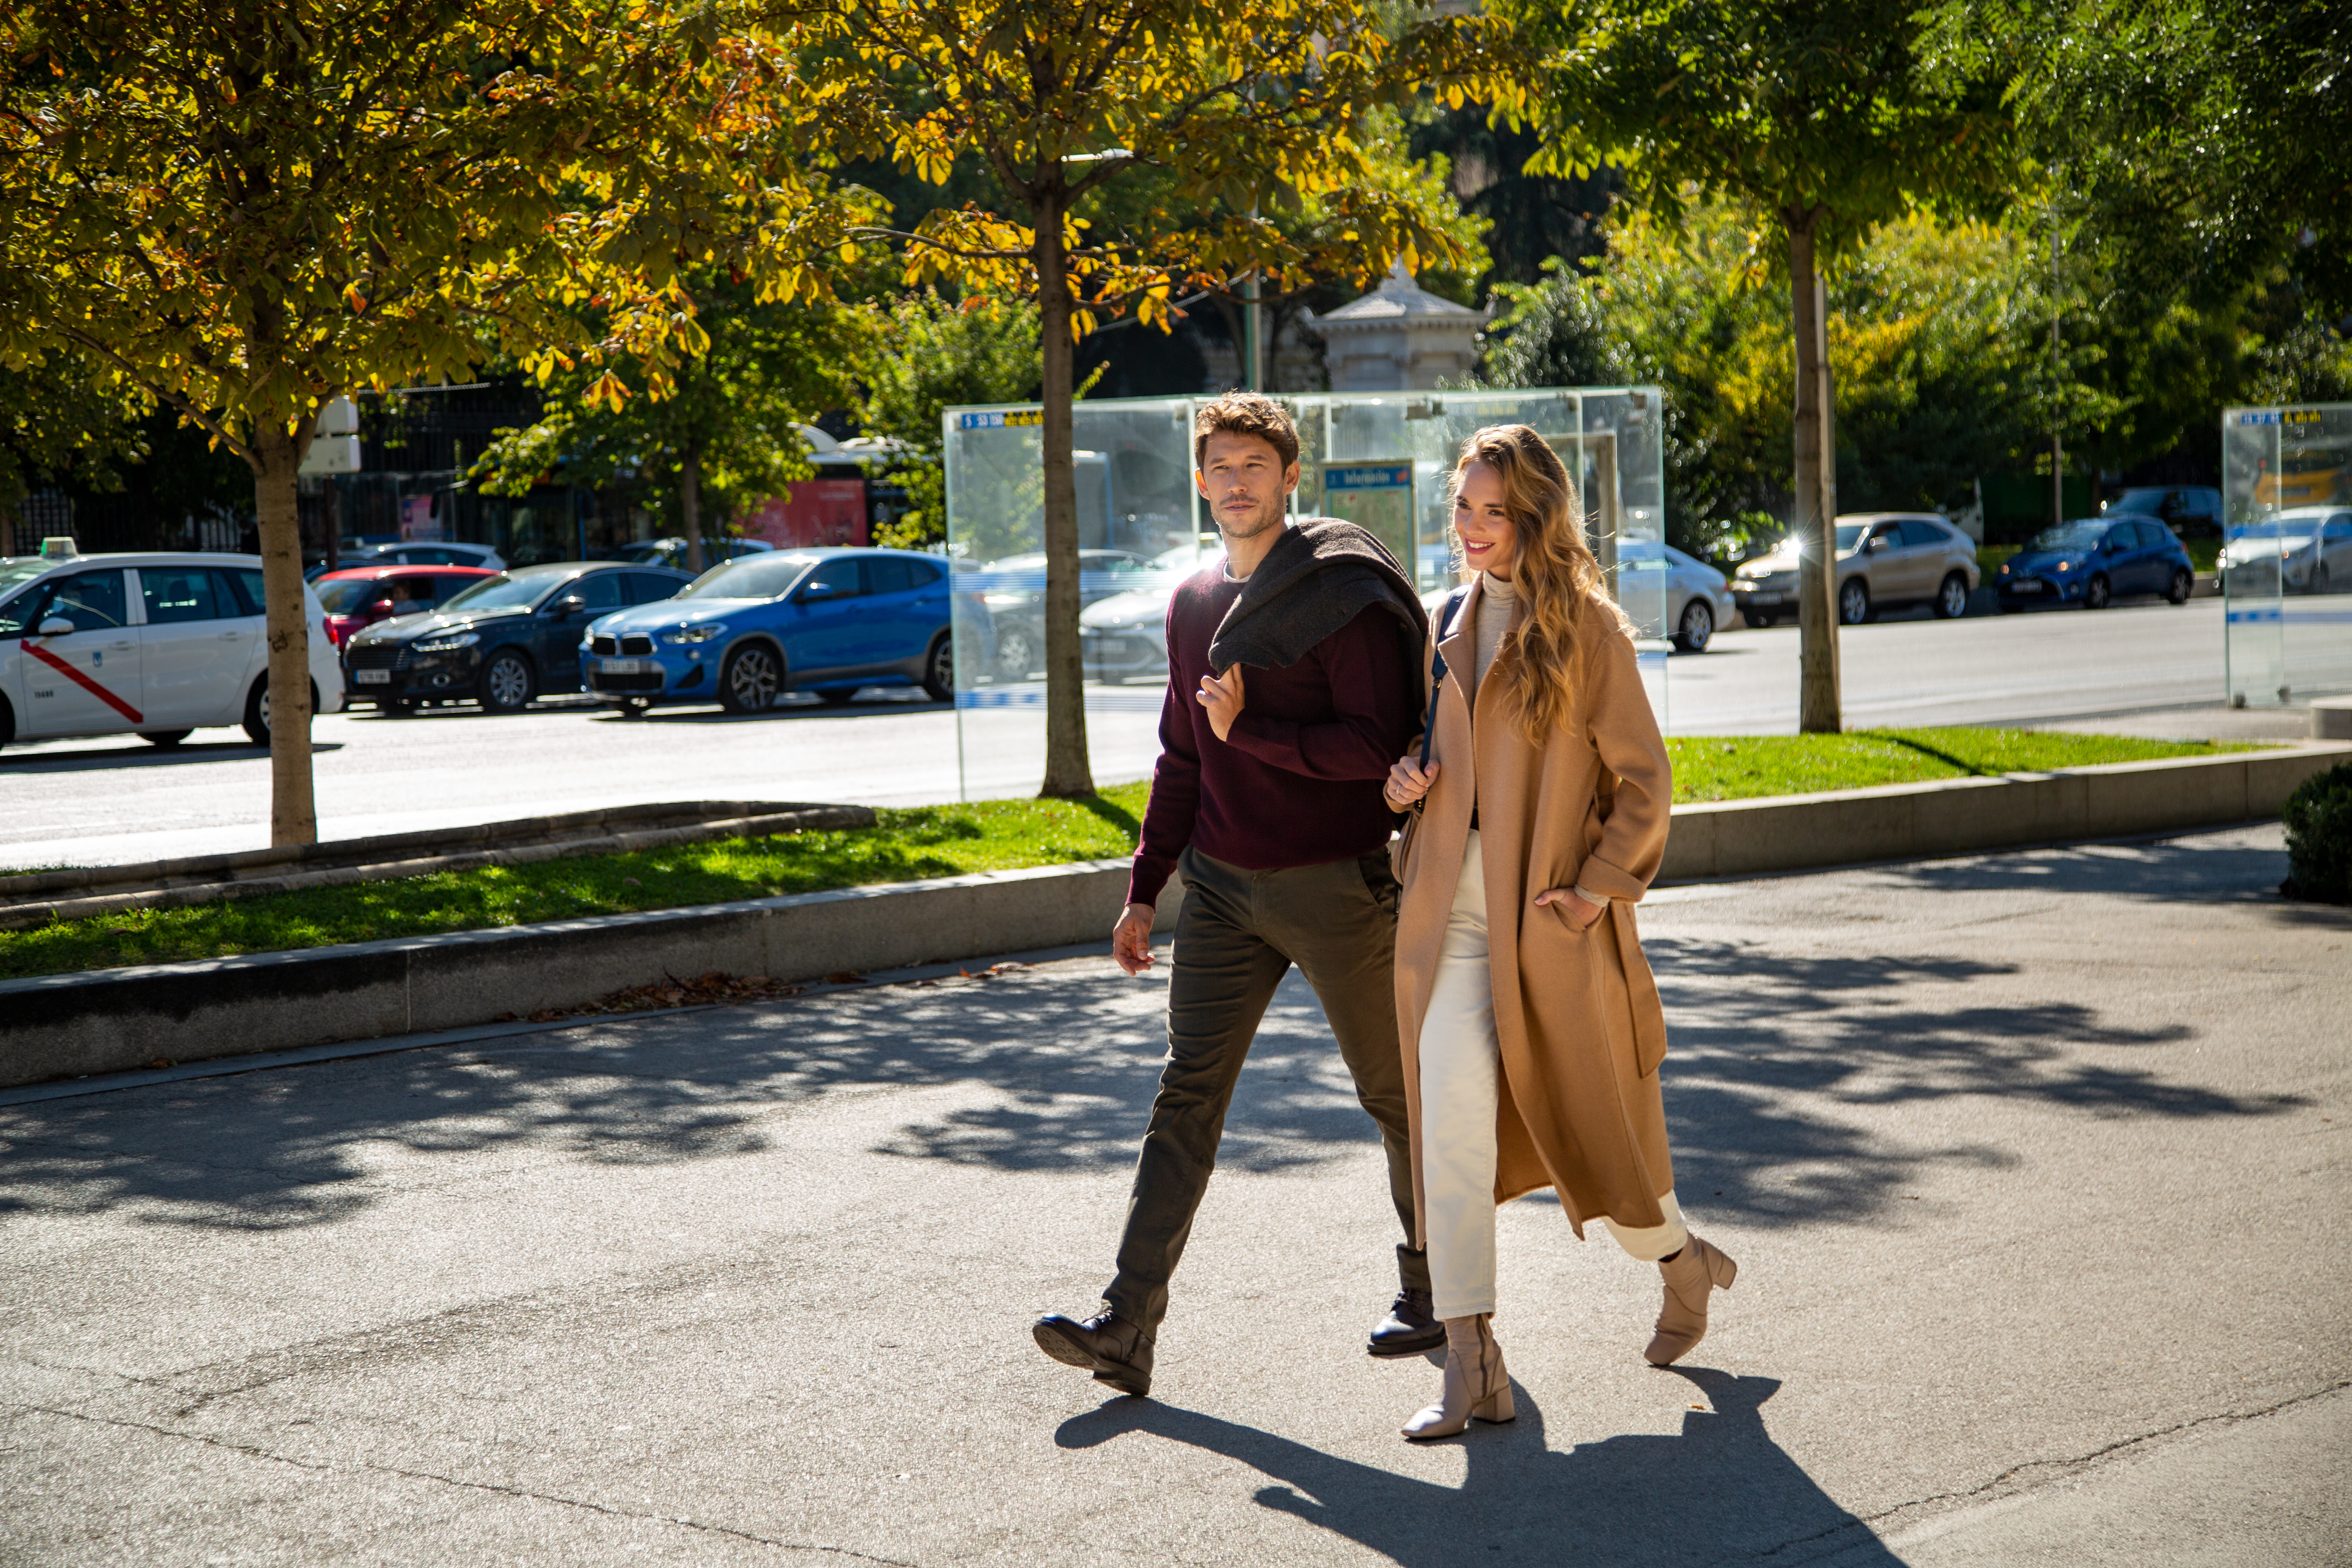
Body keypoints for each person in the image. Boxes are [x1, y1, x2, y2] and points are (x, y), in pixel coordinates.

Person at [1033, 392, 1438, 1398]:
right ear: (1202, 478)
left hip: (1338, 888)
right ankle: (1126, 1326)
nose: (1238, 481)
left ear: (1291, 477)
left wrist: (1246, 731)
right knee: (1186, 1099)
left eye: (1257, 463)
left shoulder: (1338, 592)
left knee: (1396, 1100)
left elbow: (1371, 749)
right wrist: (1144, 889)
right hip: (1219, 888)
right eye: (1221, 465)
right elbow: (1182, 755)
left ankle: (1434, 1290)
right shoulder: (1191, 602)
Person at [1381, 424, 1737, 1441]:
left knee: (1602, 1141)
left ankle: (1681, 1260)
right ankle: (1471, 1364)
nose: (1475, 529)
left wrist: (1594, 891)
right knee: (1444, 1130)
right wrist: (1405, 787)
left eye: (1497, 511)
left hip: (1548, 922)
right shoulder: (1444, 622)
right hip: (1449, 911)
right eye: (1464, 508)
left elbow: (1647, 784)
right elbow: (1436, 763)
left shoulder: (1588, 631)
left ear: (1536, 518)